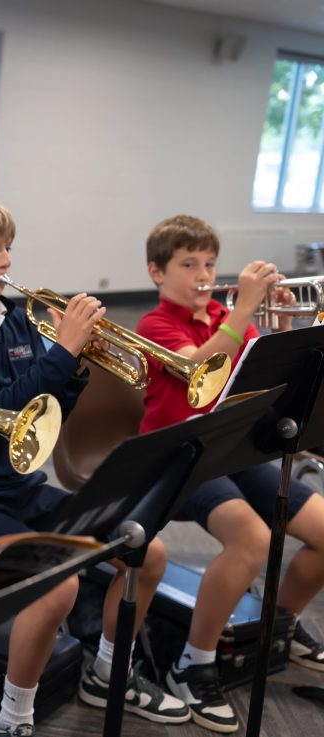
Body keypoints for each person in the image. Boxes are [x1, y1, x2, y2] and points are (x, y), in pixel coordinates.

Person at [0, 192, 190, 737]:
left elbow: (44, 420)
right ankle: (13, 718)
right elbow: (0, 415)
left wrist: (76, 367)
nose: (6, 263)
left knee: (147, 548)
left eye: (9, 248)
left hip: (21, 488)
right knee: (55, 586)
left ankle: (110, 673)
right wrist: (61, 354)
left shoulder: (18, 320)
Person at [136, 215, 324, 733]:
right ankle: (192, 663)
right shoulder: (155, 327)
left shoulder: (223, 312)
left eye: (210, 263)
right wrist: (241, 312)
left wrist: (281, 327)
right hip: (183, 454)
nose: (203, 274)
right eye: (188, 264)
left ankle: (276, 627)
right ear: (156, 271)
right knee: (252, 541)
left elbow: (271, 377)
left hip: (238, 445)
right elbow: (197, 367)